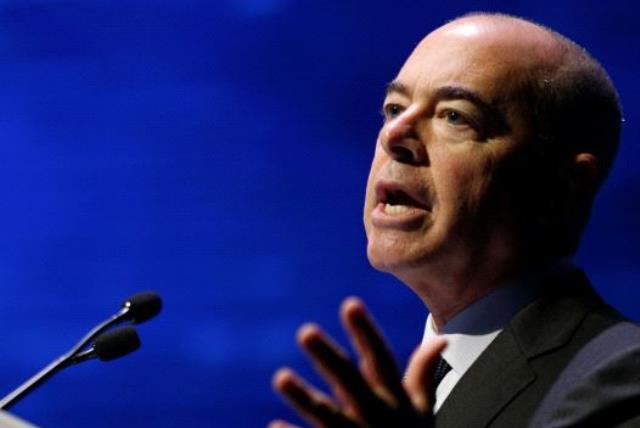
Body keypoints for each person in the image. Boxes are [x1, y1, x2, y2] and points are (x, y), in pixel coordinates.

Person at [270, 12, 637, 428]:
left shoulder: (620, 380)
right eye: (394, 108)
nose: (394, 134)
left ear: (561, 187)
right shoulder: (409, 392)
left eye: (454, 116)